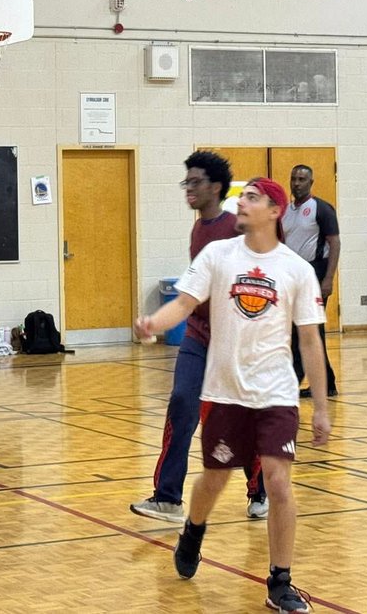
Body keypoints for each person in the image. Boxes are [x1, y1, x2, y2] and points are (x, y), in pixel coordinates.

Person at [134, 177, 331, 614]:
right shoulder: (218, 255)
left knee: (278, 482)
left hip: (276, 393)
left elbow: (311, 341)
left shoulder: (296, 270)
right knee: (215, 478)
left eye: (252, 198)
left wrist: (320, 406)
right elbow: (183, 304)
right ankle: (193, 530)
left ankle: (280, 581)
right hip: (225, 392)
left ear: (274, 211)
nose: (241, 202)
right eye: (241, 196)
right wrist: (154, 323)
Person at [131, 151, 268, 525]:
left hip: (234, 341)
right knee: (181, 403)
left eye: (195, 182)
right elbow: (192, 293)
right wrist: (155, 323)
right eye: (186, 182)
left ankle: (259, 490)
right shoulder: (197, 230)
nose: (188, 189)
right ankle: (168, 498)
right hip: (198, 336)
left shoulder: (236, 228)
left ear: (216, 187)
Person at [282, 165, 339, 398]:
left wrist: (328, 279)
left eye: (302, 179)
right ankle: (325, 384)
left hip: (315, 274)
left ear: (311, 182)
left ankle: (304, 382)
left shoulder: (321, 209)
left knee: (309, 330)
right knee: (301, 331)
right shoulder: (286, 211)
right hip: (292, 276)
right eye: (294, 178)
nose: (297, 183)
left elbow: (335, 243)